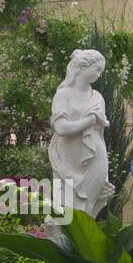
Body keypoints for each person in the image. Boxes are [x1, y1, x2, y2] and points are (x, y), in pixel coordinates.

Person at [49, 49, 113, 218]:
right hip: (68, 160)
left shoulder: (97, 97)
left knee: (88, 210)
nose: (99, 74)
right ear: (83, 67)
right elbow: (61, 128)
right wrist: (90, 120)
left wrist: (106, 174)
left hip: (95, 157)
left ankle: (81, 243)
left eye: (101, 71)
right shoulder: (63, 95)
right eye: (97, 69)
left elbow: (100, 135)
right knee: (63, 212)